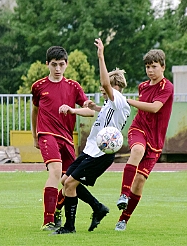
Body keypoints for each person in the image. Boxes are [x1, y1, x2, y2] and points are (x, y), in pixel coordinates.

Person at [53, 38, 131, 234]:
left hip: (100, 154)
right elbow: (103, 115)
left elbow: (105, 83)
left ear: (113, 87)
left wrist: (101, 56)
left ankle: (69, 227)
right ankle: (97, 207)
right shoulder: (109, 104)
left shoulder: (118, 99)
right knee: (65, 181)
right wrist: (90, 108)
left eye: (105, 88)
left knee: (70, 185)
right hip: (91, 150)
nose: (102, 90)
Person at [31, 45, 95, 231]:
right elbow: (35, 111)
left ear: (66, 64)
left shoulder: (74, 87)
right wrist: (35, 135)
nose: (57, 69)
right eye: (53, 65)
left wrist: (73, 109)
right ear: (47, 65)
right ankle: (48, 221)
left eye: (61, 64)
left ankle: (57, 208)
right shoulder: (39, 86)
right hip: (47, 135)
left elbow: (90, 111)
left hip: (66, 139)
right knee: (55, 171)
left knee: (70, 180)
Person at [115, 49, 174, 231]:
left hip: (156, 140)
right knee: (137, 150)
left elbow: (155, 108)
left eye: (154, 66)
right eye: (147, 67)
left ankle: (123, 219)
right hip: (138, 128)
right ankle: (123, 195)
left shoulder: (167, 87)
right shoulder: (143, 86)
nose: (150, 70)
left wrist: (129, 101)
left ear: (162, 67)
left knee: (140, 181)